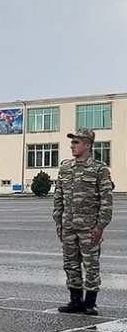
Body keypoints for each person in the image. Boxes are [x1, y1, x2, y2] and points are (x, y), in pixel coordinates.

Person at [54, 128, 113, 316]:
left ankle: (90, 302)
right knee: (70, 263)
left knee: (91, 264)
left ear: (87, 145)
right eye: (71, 142)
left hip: (89, 227)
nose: (72, 145)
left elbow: (106, 199)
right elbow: (59, 195)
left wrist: (100, 226)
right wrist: (58, 220)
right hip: (69, 225)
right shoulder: (65, 168)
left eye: (76, 142)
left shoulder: (99, 169)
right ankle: (75, 300)